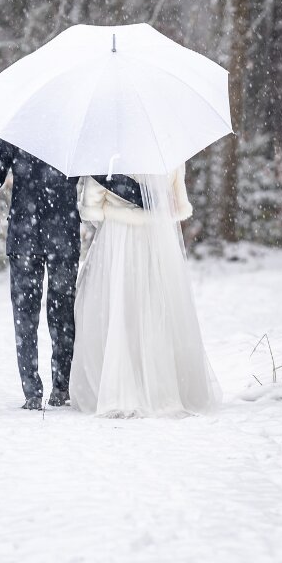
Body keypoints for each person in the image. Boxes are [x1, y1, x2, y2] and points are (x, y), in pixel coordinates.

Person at [0, 139, 138, 410]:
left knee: (25, 314)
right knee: (62, 313)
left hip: (25, 235)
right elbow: (105, 176)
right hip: (62, 237)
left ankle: (32, 391)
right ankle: (61, 387)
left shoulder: (19, 131)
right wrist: (144, 197)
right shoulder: (73, 134)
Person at [70, 163, 221, 417]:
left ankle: (119, 384)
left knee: (118, 306)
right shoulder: (167, 150)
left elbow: (92, 208)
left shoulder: (109, 153)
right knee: (155, 306)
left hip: (118, 238)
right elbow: (176, 204)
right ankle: (160, 383)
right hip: (156, 238)